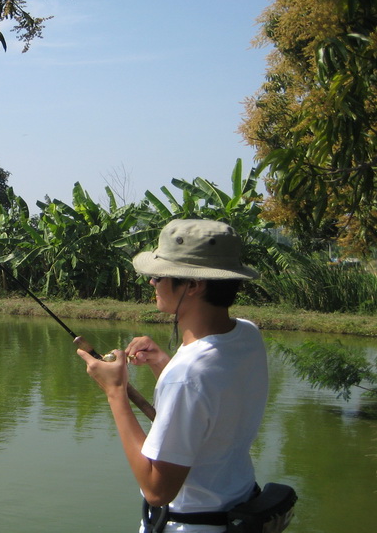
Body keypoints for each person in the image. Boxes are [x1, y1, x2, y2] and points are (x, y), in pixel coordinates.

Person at [77, 219, 268, 533]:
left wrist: (115, 392)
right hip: (239, 509)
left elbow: (157, 490)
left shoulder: (187, 374)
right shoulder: (247, 334)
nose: (152, 283)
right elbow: (211, 412)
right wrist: (163, 364)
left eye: (158, 276)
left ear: (193, 285)